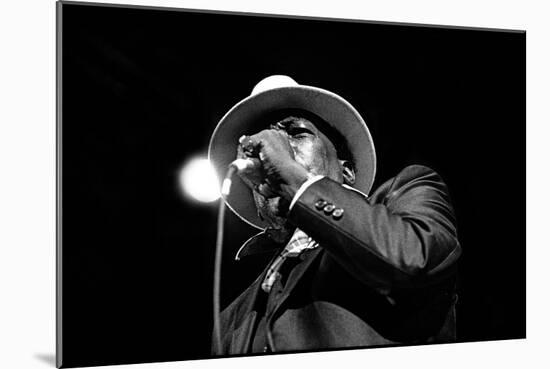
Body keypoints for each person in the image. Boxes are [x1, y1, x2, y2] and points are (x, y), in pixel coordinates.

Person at [208, 75, 461, 355]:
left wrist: (296, 181)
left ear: (348, 172)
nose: (270, 152)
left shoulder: (407, 189)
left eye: (296, 133)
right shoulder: (231, 319)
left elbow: (414, 258)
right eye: (258, 148)